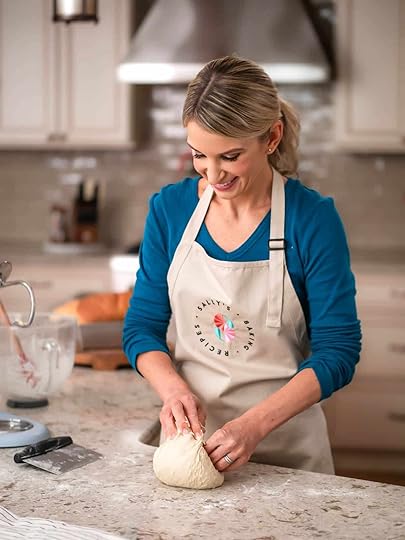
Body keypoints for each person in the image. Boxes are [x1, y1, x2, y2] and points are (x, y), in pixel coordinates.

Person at [123, 55, 361, 475]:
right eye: (199, 156)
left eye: (229, 157)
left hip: (290, 455)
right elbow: (141, 327)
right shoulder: (170, 211)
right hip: (193, 449)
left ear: (271, 137)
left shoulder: (312, 219)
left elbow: (338, 351)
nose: (213, 175)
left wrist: (254, 426)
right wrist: (173, 389)